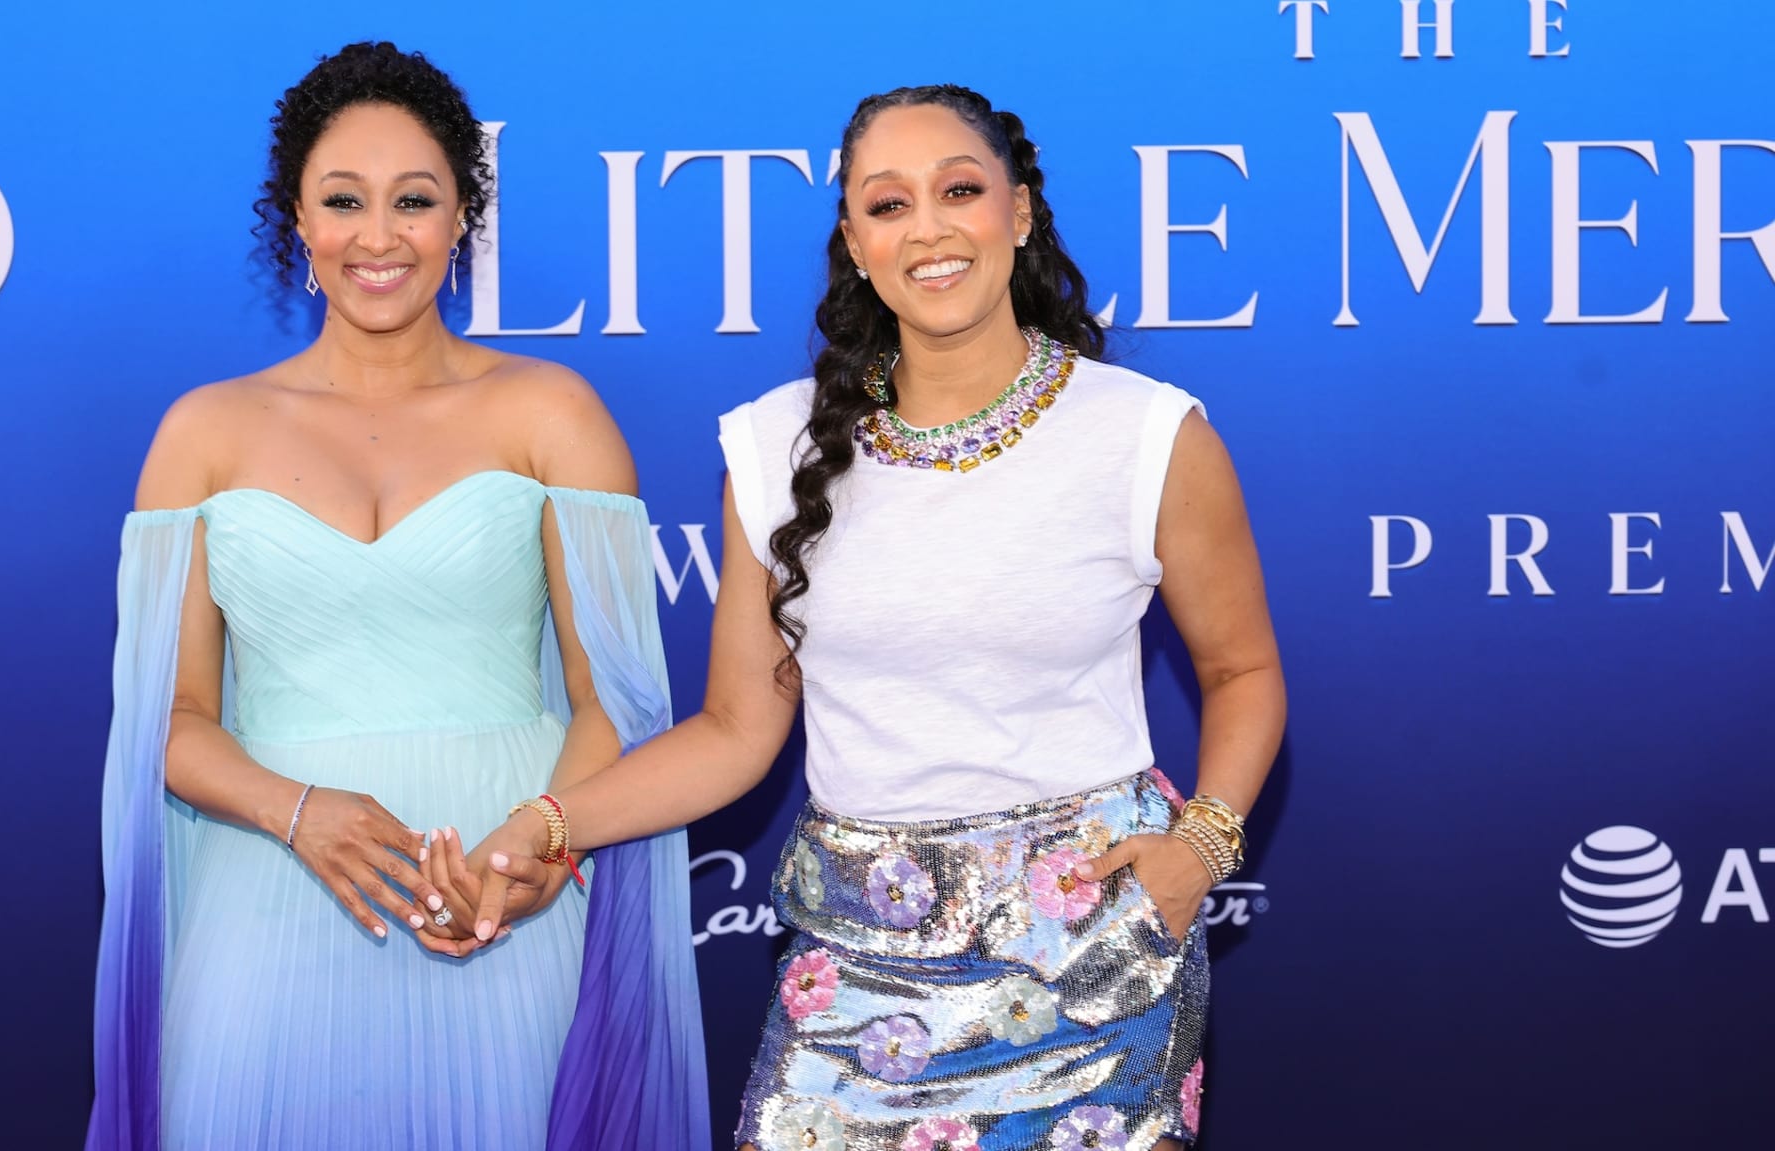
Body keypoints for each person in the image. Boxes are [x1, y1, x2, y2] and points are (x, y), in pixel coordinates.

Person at [469, 85, 1285, 1150]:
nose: (929, 229)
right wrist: (551, 820)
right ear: (853, 242)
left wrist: (1199, 845)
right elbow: (732, 732)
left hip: (1093, 960)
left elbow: (1241, 671)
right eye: (888, 205)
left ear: (1020, 212)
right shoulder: (770, 450)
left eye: (959, 190)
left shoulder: (1144, 435)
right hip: (853, 973)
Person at [83, 42, 705, 1151]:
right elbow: (168, 724)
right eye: (343, 200)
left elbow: (614, 698)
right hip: (269, 891)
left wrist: (536, 858)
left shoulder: (552, 411)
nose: (379, 235)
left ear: (461, 215)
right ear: (297, 223)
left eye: (413, 199)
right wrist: (296, 808)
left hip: (496, 889)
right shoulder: (201, 434)